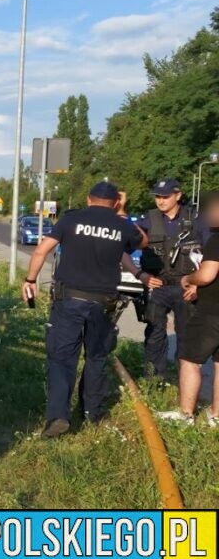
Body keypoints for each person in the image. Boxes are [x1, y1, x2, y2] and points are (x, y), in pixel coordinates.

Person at [23, 182, 147, 438]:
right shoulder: (121, 224)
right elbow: (143, 242)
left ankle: (58, 417)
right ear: (115, 202)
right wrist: (122, 212)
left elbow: (41, 250)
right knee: (97, 358)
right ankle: (92, 413)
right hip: (104, 304)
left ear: (89, 200)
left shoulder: (71, 220)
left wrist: (31, 280)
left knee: (61, 359)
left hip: (69, 301)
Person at [157, 192, 219, 426]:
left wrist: (189, 280)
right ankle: (216, 415)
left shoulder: (216, 239)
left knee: (190, 360)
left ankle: (186, 414)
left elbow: (207, 274)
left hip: (212, 310)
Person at [138, 179, 208, 379]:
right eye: (158, 197)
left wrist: (198, 284)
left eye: (165, 196)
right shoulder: (147, 220)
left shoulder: (196, 219)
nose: (160, 201)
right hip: (158, 286)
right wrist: (140, 275)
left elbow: (211, 253)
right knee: (154, 336)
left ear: (178, 195)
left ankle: (184, 382)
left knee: (187, 338)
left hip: (186, 287)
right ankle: (153, 381)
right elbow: (123, 243)